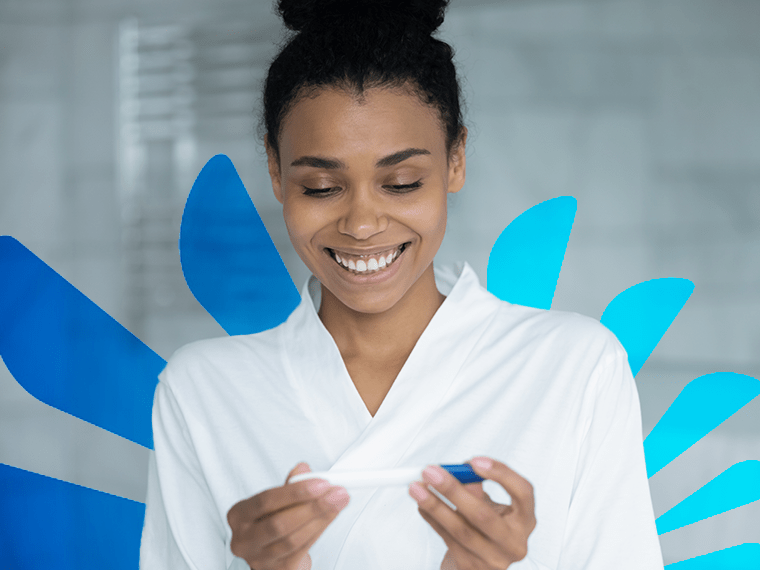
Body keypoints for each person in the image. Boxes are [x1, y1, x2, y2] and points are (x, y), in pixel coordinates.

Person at [139, 1, 664, 569]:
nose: (362, 224)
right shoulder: (203, 392)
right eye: (320, 187)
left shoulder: (574, 368)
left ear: (456, 159)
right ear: (274, 170)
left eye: (402, 182)